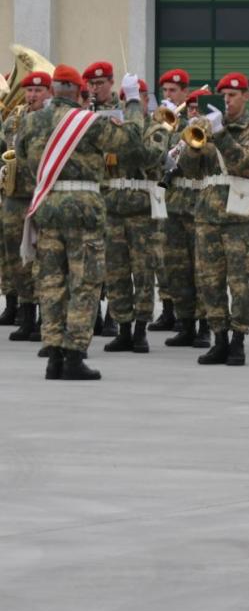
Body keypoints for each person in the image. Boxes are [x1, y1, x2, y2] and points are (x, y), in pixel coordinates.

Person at [15, 65, 144, 380]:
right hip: (84, 212)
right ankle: (73, 356)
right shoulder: (88, 123)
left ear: (53, 91)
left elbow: (22, 156)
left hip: (47, 209)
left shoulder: (31, 121)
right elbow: (131, 140)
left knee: (51, 284)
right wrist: (132, 101)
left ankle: (53, 356)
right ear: (79, 93)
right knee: (84, 284)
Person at [180, 73, 249, 366]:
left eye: (233, 95)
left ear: (246, 96)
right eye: (224, 95)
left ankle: (238, 340)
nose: (227, 100)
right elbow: (189, 170)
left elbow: (245, 163)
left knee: (239, 283)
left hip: (237, 219)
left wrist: (220, 133)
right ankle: (219, 339)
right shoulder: (205, 127)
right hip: (207, 216)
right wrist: (193, 144)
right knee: (210, 282)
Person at [102, 79, 171, 355]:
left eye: (137, 99)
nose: (131, 104)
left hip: (143, 212)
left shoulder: (157, 129)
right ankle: (123, 329)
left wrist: (128, 132)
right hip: (114, 210)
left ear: (145, 100)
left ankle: (140, 329)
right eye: (127, 100)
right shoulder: (114, 130)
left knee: (143, 272)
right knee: (116, 272)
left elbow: (148, 157)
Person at [158, 68, 210, 350]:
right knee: (177, 269)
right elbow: (158, 158)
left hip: (200, 205)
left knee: (202, 270)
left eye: (173, 91)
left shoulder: (206, 129)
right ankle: (185, 324)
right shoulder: (170, 127)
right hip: (175, 206)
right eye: (165, 91)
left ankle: (204, 327)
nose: (192, 111)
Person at [0, 71, 53, 341]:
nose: (32, 95)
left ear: (49, 92)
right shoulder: (14, 120)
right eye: (29, 91)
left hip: (40, 195)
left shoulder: (53, 120)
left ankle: (46, 317)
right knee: (15, 258)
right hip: (14, 196)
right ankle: (27, 314)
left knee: (43, 258)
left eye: (38, 91)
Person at [82, 59, 121, 337]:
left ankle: (113, 315)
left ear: (111, 82)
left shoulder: (124, 111)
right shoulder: (84, 113)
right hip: (91, 194)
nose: (95, 89)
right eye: (92, 84)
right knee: (90, 257)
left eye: (100, 83)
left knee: (114, 259)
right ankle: (93, 311)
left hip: (115, 194)